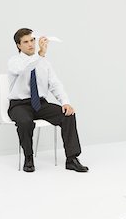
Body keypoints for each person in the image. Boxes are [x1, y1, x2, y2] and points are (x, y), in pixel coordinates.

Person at [7, 28, 88, 173]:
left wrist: (65, 102)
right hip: (19, 105)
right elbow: (24, 69)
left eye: (32, 40)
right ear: (19, 45)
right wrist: (40, 55)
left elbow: (55, 84)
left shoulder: (44, 63)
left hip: (39, 104)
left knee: (68, 115)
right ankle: (29, 158)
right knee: (25, 122)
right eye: (26, 42)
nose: (31, 44)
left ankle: (72, 159)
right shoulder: (14, 62)